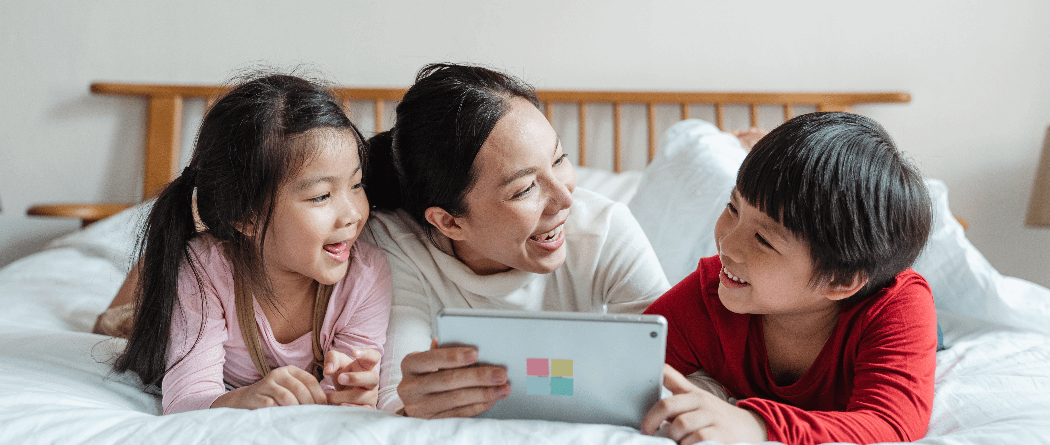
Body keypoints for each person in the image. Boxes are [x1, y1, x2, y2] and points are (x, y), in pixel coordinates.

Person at [360, 63, 671, 418]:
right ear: (448, 221)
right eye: (524, 189)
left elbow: (681, 374)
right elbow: (394, 395)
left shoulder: (606, 231)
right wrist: (412, 403)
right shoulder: (395, 245)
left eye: (559, 159)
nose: (565, 199)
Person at [640, 112, 937, 444]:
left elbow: (890, 425)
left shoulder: (895, 308)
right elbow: (615, 367)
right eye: (733, 208)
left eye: (764, 240)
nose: (727, 245)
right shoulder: (711, 290)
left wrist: (757, 425)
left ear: (839, 281)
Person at [110, 73, 393, 414]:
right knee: (118, 321)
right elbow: (186, 401)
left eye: (357, 185)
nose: (352, 215)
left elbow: (339, 400)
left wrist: (354, 394)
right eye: (321, 196)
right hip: (190, 285)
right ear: (244, 216)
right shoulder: (204, 270)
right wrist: (239, 399)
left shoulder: (367, 273)